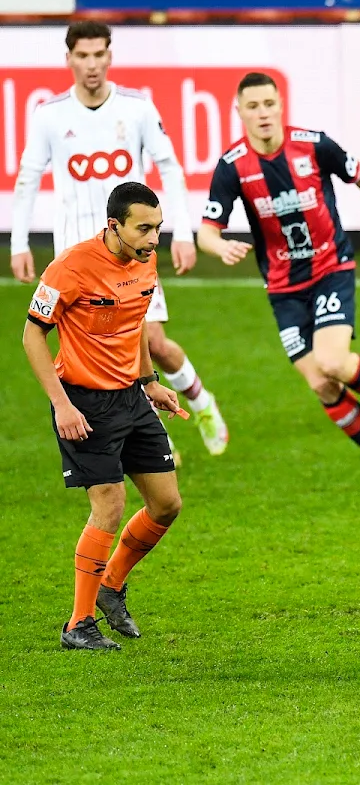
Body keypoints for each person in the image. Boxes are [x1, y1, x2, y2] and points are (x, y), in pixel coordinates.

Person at [197, 72, 360, 492]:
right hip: (283, 289)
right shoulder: (233, 167)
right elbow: (206, 231)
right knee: (322, 384)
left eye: (269, 104)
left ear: (280, 105)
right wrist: (220, 247)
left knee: (334, 362)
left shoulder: (313, 144)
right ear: (240, 112)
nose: (263, 113)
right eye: (253, 106)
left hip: (330, 269)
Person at [10, 20, 228, 458]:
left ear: (110, 56)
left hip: (132, 250)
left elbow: (169, 167)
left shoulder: (137, 108)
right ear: (68, 59)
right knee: (94, 351)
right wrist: (18, 242)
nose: (91, 64)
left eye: (98, 54)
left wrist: (182, 233)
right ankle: (152, 437)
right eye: (82, 55)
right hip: (77, 255)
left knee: (152, 342)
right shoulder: (50, 115)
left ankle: (202, 403)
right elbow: (28, 178)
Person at [24, 182, 186, 651]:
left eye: (157, 227)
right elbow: (32, 337)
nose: (154, 238)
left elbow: (134, 321)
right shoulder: (70, 267)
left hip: (131, 398)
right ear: (114, 226)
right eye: (143, 228)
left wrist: (150, 380)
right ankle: (79, 623)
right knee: (110, 505)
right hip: (83, 404)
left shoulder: (144, 259)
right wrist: (62, 406)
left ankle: (112, 585)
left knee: (166, 504)